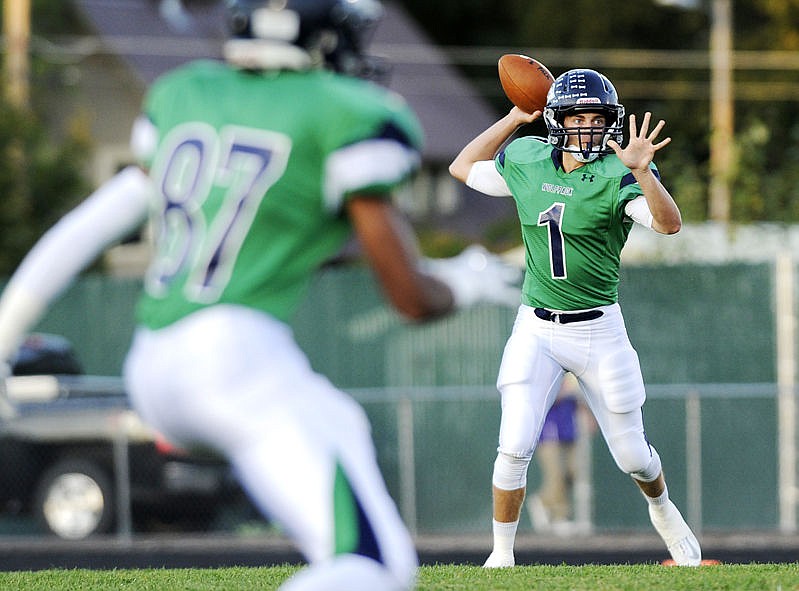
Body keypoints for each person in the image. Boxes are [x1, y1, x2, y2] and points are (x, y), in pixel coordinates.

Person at [0, 2, 519, 589]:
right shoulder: (343, 112)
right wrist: (469, 280)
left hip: (151, 360)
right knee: (372, 568)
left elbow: (84, 229)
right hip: (233, 359)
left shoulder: (186, 93)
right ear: (316, 39)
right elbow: (411, 297)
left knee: (339, 421)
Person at [449, 68, 702, 567]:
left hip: (598, 328)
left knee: (632, 455)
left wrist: (644, 171)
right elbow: (461, 166)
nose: (588, 126)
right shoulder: (526, 157)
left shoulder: (618, 171)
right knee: (514, 444)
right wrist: (515, 115)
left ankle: (664, 510)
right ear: (557, 121)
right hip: (537, 326)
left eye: (597, 117)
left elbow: (670, 225)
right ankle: (501, 556)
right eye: (578, 116)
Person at [526, 372, 591, 535]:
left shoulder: (573, 372)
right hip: (549, 431)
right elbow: (544, 396)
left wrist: (588, 416)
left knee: (573, 472)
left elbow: (580, 399)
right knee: (556, 474)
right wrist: (564, 391)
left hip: (569, 429)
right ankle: (559, 516)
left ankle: (543, 501)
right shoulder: (545, 369)